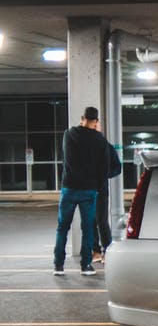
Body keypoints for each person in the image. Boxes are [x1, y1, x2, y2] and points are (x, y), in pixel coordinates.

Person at [53, 106, 110, 276]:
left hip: (69, 188)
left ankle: (58, 266)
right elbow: (104, 167)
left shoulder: (68, 134)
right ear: (96, 121)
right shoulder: (99, 140)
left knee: (62, 227)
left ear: (82, 117)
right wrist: (98, 188)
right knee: (88, 228)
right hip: (89, 190)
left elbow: (64, 158)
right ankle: (85, 265)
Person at [90, 126, 123, 263]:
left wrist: (104, 175)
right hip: (87, 188)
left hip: (101, 189)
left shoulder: (107, 147)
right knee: (90, 221)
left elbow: (117, 168)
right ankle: (95, 251)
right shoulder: (86, 148)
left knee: (101, 220)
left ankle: (107, 251)